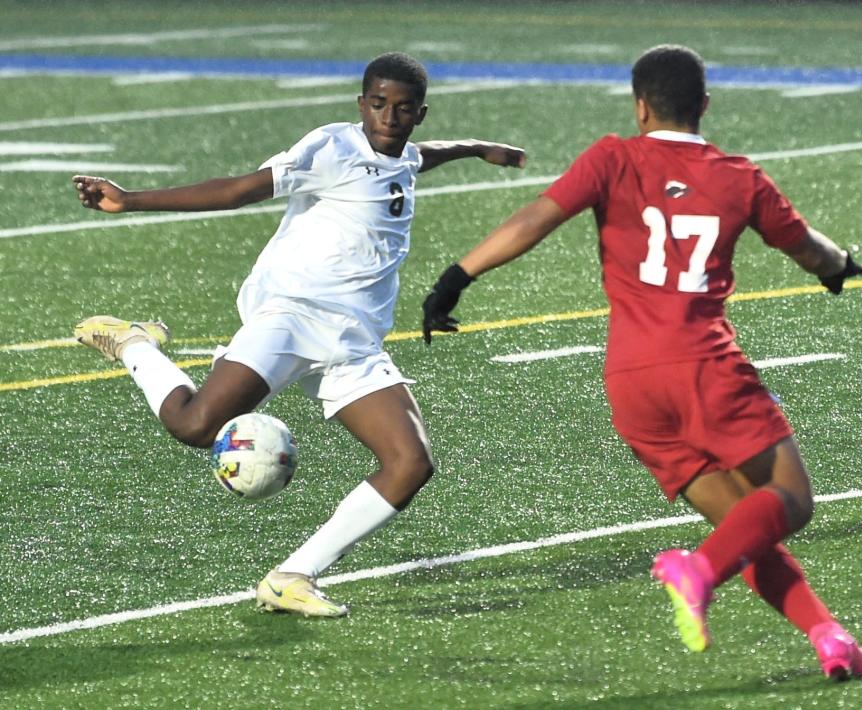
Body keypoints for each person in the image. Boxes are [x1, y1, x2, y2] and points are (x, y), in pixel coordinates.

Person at [421, 45, 862, 680]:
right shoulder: (739, 176)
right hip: (703, 366)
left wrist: (455, 277)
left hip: (631, 383)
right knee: (791, 501)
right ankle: (697, 572)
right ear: (705, 106)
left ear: (640, 107)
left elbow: (536, 217)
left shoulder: (613, 157)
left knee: (744, 527)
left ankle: (829, 635)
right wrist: (839, 266)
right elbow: (811, 251)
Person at [71, 52, 525, 618]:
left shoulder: (404, 153)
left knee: (410, 463)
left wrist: (478, 148)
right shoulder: (331, 148)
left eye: (402, 109)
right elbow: (242, 189)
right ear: (361, 105)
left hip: (354, 341)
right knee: (193, 425)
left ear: (419, 114)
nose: (389, 116)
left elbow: (419, 157)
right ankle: (133, 343)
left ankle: (291, 577)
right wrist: (131, 200)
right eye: (378, 104)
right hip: (292, 316)